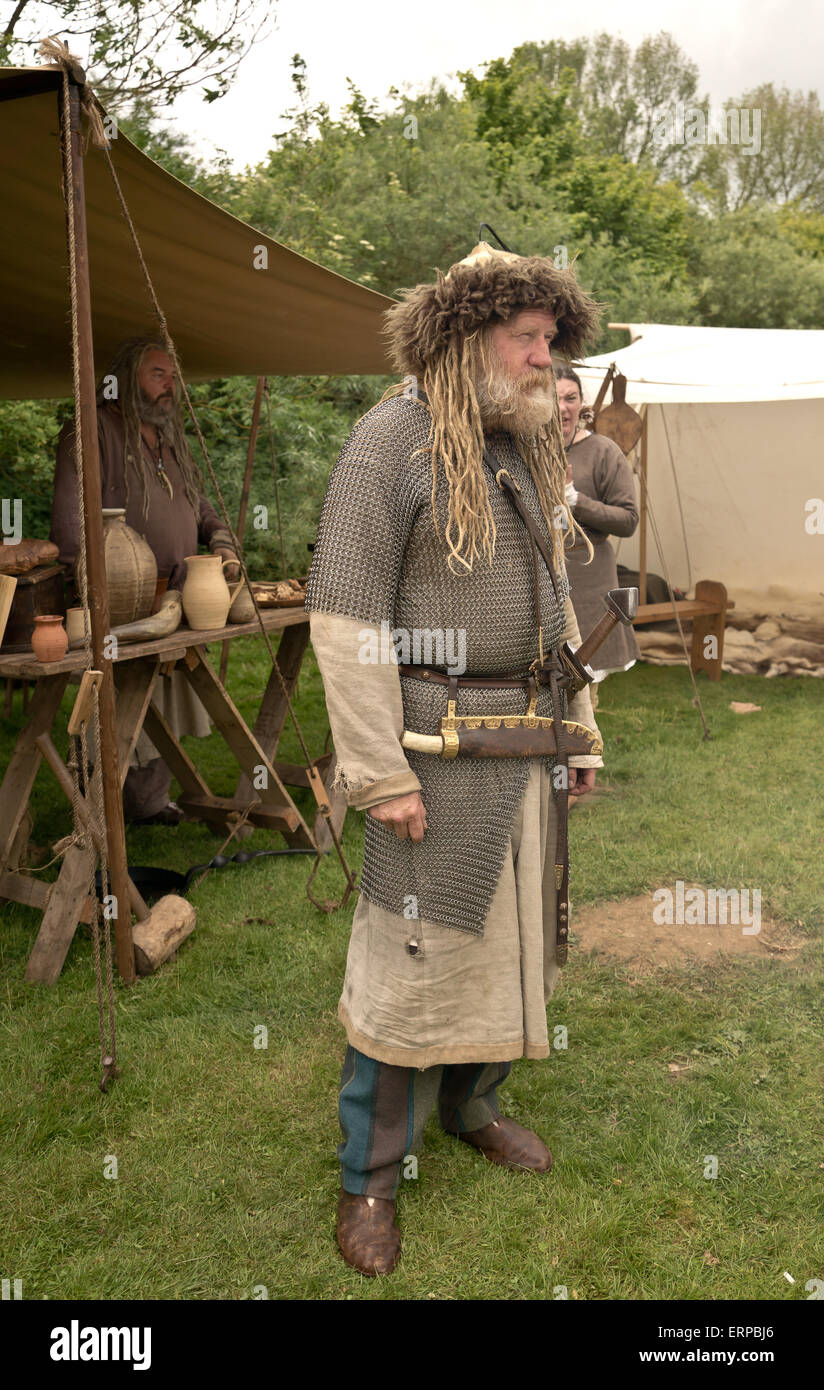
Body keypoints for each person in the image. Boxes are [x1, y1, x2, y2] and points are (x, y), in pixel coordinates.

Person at [306, 242, 605, 1276]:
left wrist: (584, 727)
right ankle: (370, 1178)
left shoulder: (522, 443)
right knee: (408, 968)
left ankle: (472, 1106)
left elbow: (558, 601)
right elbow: (345, 620)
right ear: (465, 337)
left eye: (546, 340)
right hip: (430, 753)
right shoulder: (389, 442)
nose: (541, 359)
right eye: (523, 339)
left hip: (526, 738)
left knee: (512, 943)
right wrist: (378, 772)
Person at [50, 336, 238, 824]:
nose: (170, 386)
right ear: (127, 377)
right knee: (118, 705)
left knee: (163, 704)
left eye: (173, 377)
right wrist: (89, 591)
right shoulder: (93, 430)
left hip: (177, 599)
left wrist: (219, 538)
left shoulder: (168, 437)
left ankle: (150, 803)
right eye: (159, 375)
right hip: (124, 605)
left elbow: (197, 503)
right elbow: (71, 523)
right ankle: (98, 810)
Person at [555, 364, 640, 710]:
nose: (562, 407)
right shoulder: (523, 449)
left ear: (580, 403)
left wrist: (575, 500)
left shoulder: (603, 451)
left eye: (570, 398)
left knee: (582, 696)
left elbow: (628, 520)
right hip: (536, 590)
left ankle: (583, 763)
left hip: (588, 592)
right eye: (554, 398)